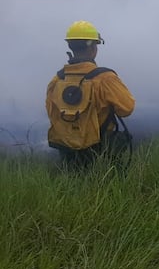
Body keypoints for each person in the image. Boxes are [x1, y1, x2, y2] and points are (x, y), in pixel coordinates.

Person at [46, 21, 135, 170]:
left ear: (70, 46)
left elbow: (51, 112)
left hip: (66, 149)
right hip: (101, 151)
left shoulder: (57, 79)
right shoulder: (105, 78)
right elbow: (127, 109)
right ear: (93, 48)